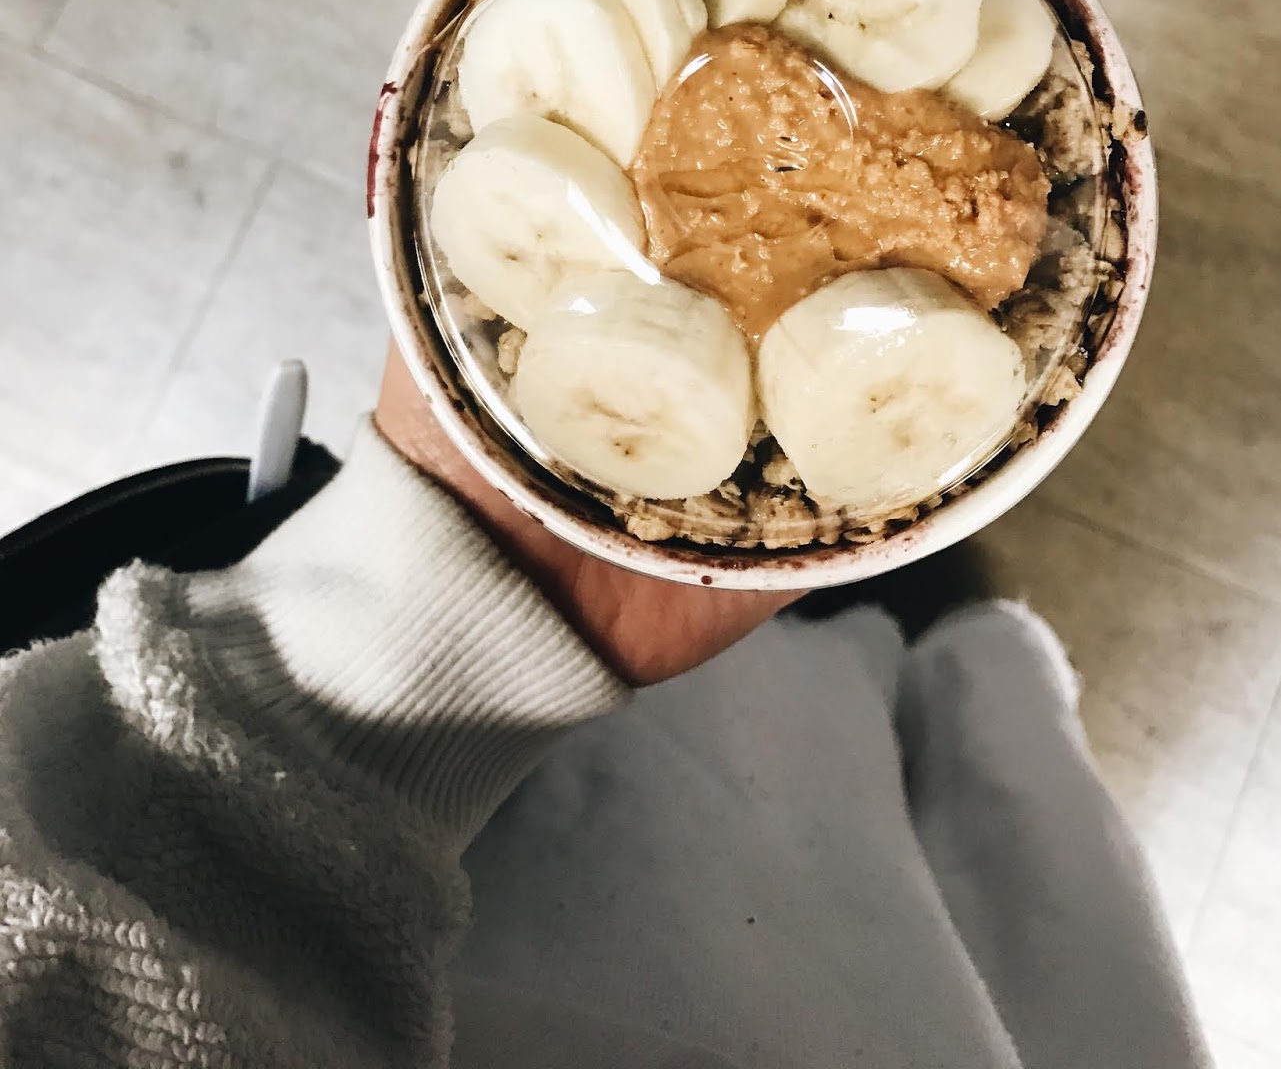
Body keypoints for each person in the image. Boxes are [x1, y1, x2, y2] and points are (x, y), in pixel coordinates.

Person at [0, 346, 1212, 1068]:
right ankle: (943, 652)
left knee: (826, 756)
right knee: (998, 856)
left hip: (435, 830)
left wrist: (396, 653)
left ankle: (919, 646)